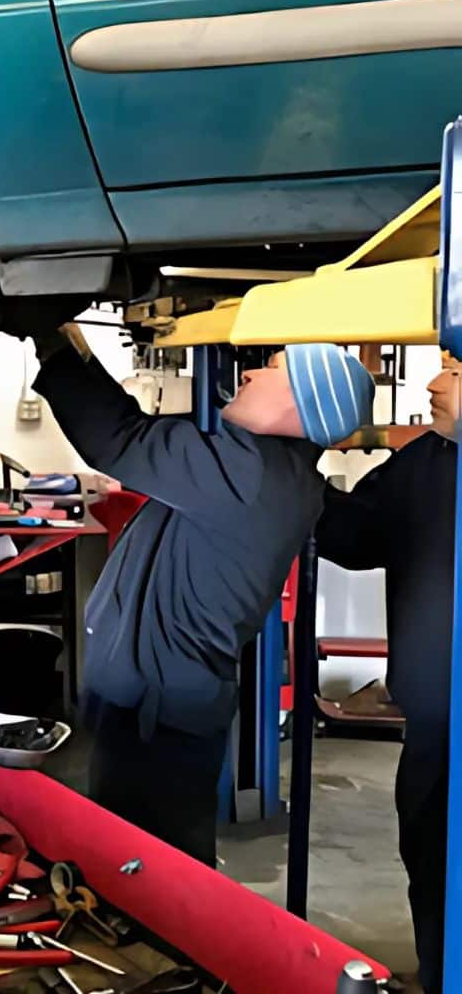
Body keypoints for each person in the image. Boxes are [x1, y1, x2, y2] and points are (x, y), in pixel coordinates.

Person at [33, 325, 374, 867]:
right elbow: (138, 436)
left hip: (154, 705)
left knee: (143, 867)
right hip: (165, 696)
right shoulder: (271, 469)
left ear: (299, 406)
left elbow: (117, 438)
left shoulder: (248, 471)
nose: (249, 372)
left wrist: (54, 341)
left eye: (272, 369)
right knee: (160, 855)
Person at [315, 356, 461, 994]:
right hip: (434, 730)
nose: (431, 384)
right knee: (430, 864)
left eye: (454, 371)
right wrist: (292, 469)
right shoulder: (429, 460)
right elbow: (354, 536)